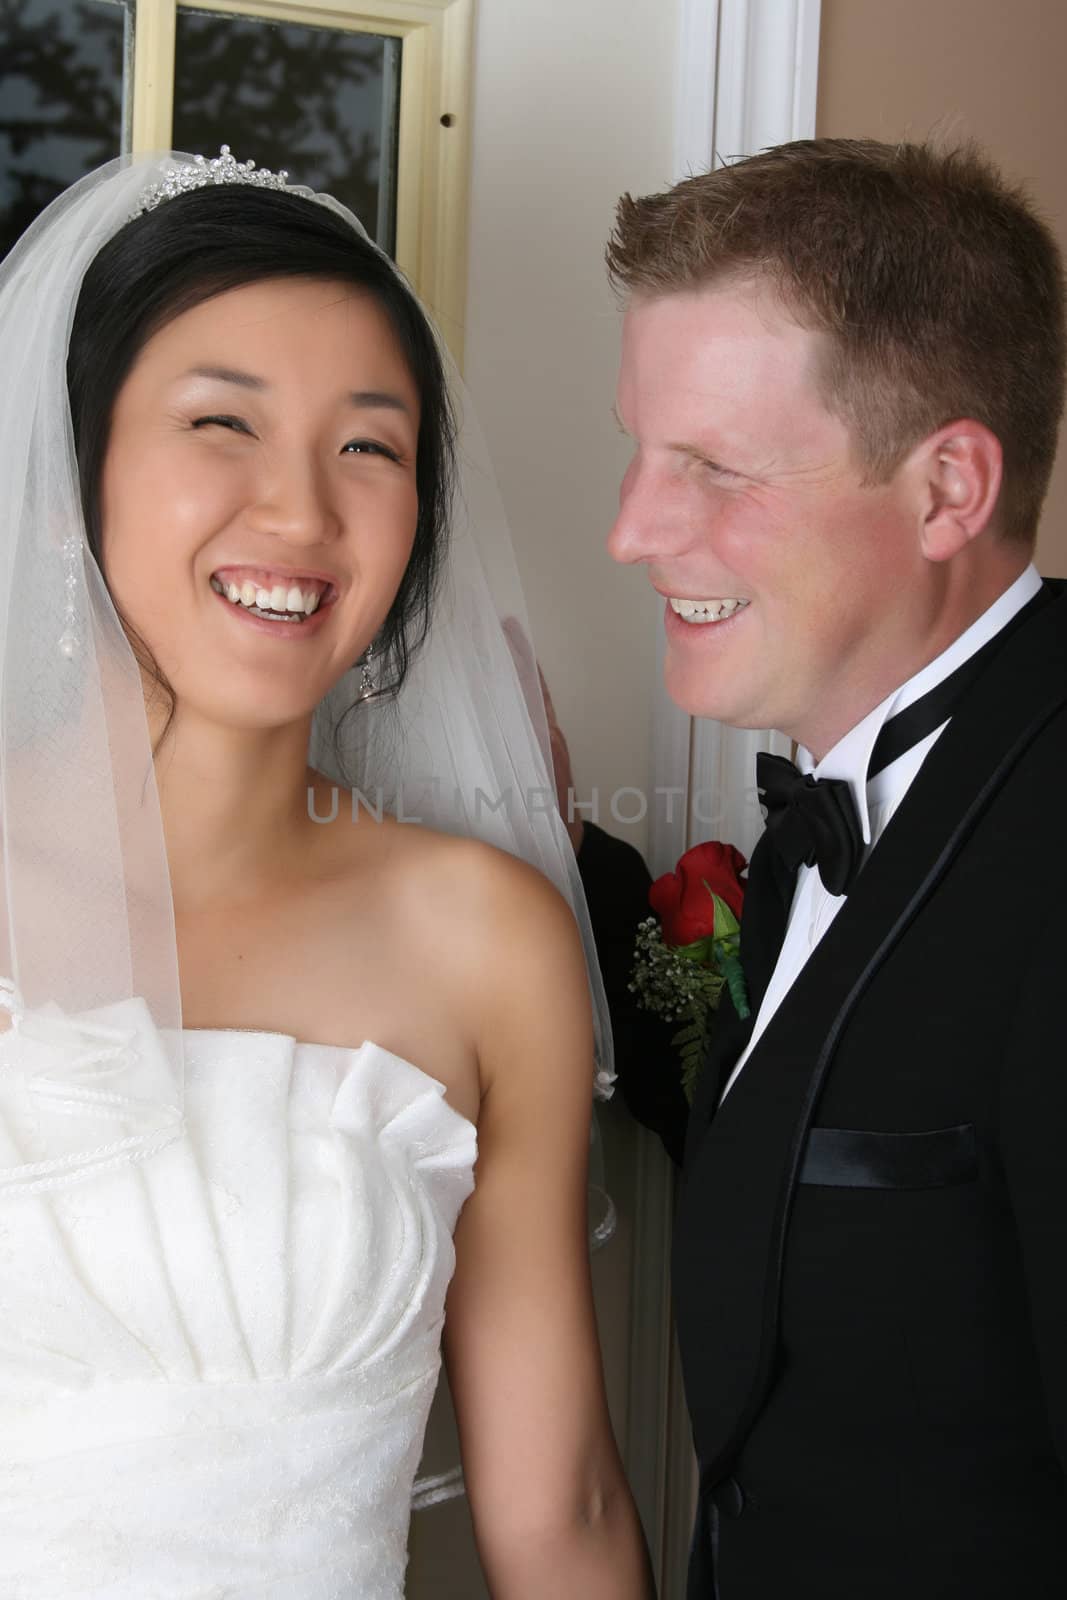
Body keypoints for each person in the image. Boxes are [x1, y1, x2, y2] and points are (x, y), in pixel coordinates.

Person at [0, 149, 653, 1598]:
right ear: (67, 474)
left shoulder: (486, 939)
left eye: (370, 445)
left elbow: (566, 1514)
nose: (300, 512)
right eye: (221, 421)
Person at [605, 137, 1067, 1598]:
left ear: (947, 489)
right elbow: (804, 1120)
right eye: (642, 453)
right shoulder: (842, 787)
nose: (632, 530)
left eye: (713, 469)